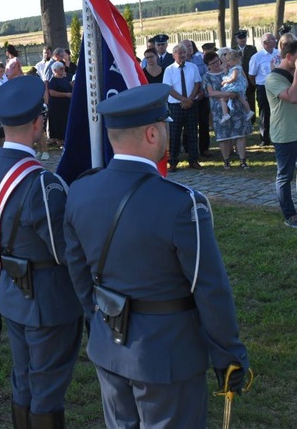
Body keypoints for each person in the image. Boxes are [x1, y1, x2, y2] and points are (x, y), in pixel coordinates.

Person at [63, 84, 250, 428]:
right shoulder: (181, 203)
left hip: (110, 343)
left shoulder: (80, 190)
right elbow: (210, 289)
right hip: (167, 355)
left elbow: (78, 271)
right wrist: (229, 355)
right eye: (164, 125)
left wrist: (101, 320)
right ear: (152, 133)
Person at [0, 76, 82, 428]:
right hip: (49, 303)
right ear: (38, 122)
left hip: (10, 293)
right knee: (47, 389)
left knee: (23, 381)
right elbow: (66, 253)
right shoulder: (42, 184)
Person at [265, 40, 297, 227]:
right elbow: (292, 97)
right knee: (285, 176)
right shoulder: (273, 78)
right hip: (285, 134)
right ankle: (289, 214)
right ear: (289, 57)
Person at [202, 52, 252, 170]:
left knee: (240, 134)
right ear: (207, 65)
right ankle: (226, 160)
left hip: (237, 105)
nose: (215, 64)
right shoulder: (207, 76)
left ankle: (242, 160)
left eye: (216, 61)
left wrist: (236, 92)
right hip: (219, 109)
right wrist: (227, 93)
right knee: (223, 136)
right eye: (212, 63)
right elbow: (211, 92)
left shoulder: (231, 68)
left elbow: (243, 82)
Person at [163, 43, 203, 172]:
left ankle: (193, 159)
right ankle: (173, 161)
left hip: (192, 104)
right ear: (174, 55)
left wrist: (190, 99)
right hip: (176, 105)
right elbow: (169, 88)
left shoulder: (193, 67)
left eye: (184, 53)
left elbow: (197, 84)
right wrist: (183, 99)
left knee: (192, 133)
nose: (182, 55)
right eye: (179, 53)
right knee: (175, 134)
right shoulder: (169, 70)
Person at [249, 33, 280, 146]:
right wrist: (258, 85)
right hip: (263, 87)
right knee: (265, 112)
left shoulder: (279, 53)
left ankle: (278, 134)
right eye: (272, 39)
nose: (275, 40)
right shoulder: (257, 57)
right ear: (265, 43)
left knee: (278, 111)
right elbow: (251, 75)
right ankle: (264, 137)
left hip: (279, 86)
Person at [218, 50, 255, 124]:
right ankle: (249, 111)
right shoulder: (235, 67)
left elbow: (234, 78)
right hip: (237, 87)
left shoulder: (236, 68)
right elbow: (224, 70)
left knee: (222, 98)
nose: (227, 62)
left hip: (235, 86)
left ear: (235, 60)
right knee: (241, 98)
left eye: (228, 60)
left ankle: (225, 114)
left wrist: (226, 81)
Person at [234, 30, 258, 120]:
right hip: (238, 78)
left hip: (249, 77)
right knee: (240, 99)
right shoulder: (233, 50)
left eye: (244, 37)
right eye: (240, 38)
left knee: (251, 99)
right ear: (236, 39)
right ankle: (242, 118)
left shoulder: (252, 49)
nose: (243, 40)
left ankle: (252, 119)